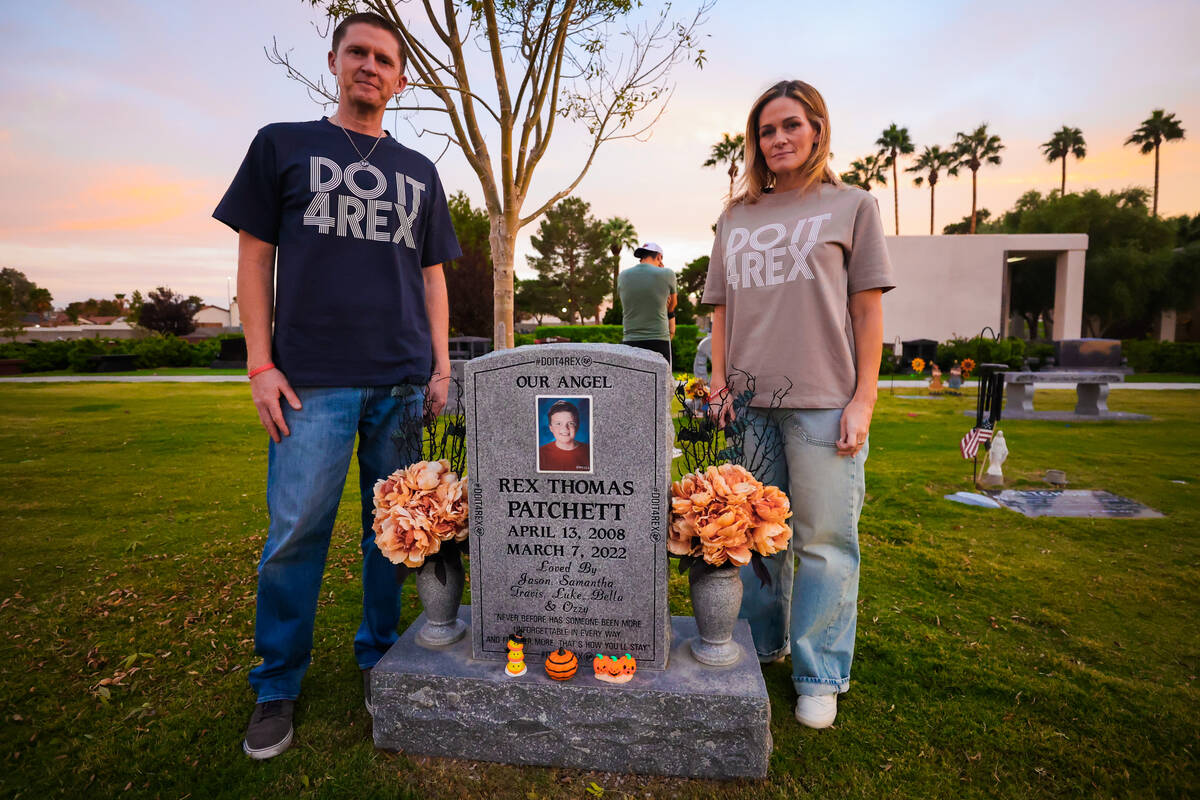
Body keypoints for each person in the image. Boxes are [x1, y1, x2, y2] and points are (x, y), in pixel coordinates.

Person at [213, 11, 461, 760]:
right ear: (334, 59)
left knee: (396, 537)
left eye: (386, 58)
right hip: (310, 383)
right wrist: (261, 363)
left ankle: (382, 655)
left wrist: (441, 364)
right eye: (359, 52)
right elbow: (255, 260)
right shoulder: (282, 143)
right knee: (294, 537)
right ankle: (277, 683)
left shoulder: (419, 170)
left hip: (400, 383)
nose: (371, 66)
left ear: (402, 77)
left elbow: (433, 276)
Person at [701, 80, 894, 730]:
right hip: (749, 405)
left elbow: (867, 312)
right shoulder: (736, 216)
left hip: (823, 402)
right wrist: (720, 385)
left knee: (824, 540)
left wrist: (863, 399)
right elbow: (722, 314)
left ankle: (818, 673)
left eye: (790, 125)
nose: (777, 139)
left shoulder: (853, 206)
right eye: (765, 130)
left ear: (816, 128)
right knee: (753, 536)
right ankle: (762, 645)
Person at [618, 242, 677, 367]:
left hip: (630, 339)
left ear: (642, 257)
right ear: (659, 257)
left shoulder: (622, 276)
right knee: (662, 383)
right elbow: (673, 303)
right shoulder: (667, 274)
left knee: (632, 381)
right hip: (658, 338)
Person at [538, 399, 590, 472]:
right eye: (558, 423)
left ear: (577, 426)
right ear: (551, 428)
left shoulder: (590, 451)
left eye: (570, 423)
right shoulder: (540, 454)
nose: (565, 428)